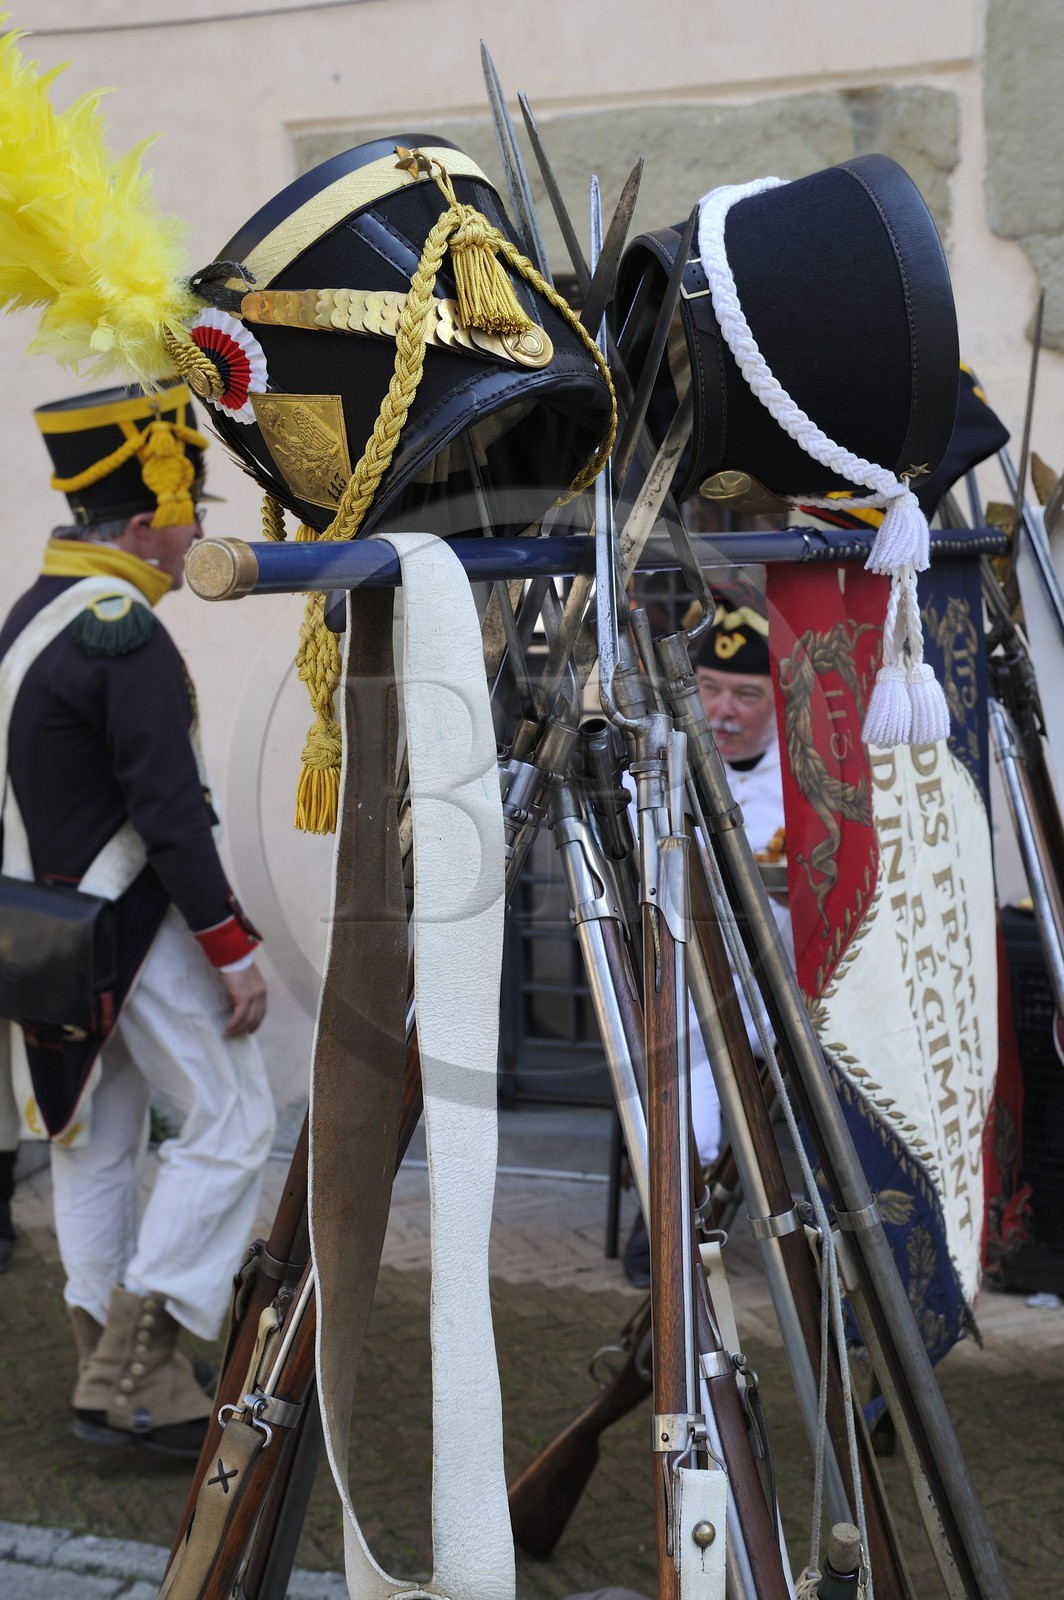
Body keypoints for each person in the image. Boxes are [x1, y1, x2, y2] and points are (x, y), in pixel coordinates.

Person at [0, 381, 277, 1456]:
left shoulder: (36, 612)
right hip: (125, 925)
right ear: (146, 510)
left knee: (96, 1143)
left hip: (45, 936)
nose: (198, 526)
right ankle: (138, 1360)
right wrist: (234, 950)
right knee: (232, 1119)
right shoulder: (122, 634)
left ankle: (105, 1369)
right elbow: (168, 813)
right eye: (189, 502)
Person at [624, 594, 788, 1286]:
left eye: (746, 694)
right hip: (697, 965)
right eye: (710, 688)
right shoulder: (665, 765)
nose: (723, 708)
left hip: (790, 977)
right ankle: (674, 1210)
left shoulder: (807, 776)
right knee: (679, 1028)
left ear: (778, 698)